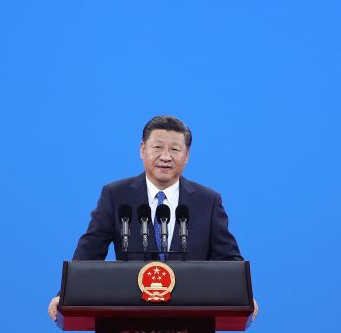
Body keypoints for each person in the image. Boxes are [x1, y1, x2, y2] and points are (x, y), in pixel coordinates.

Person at [48, 115, 258, 321]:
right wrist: (64, 295)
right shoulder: (116, 195)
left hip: (191, 317)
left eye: (175, 149)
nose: (165, 156)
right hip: (128, 316)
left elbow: (229, 259)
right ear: (142, 149)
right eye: (157, 147)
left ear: (187, 155)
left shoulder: (208, 201)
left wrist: (243, 294)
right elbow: (89, 252)